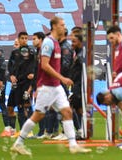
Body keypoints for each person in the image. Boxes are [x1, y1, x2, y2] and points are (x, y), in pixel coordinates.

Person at [10, 16, 91, 155]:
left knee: (67, 112)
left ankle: (73, 144)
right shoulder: (48, 43)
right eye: (62, 24)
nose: (64, 27)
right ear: (54, 26)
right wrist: (62, 79)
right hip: (47, 86)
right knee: (37, 116)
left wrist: (60, 80)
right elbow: (44, 65)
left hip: (56, 86)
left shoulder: (56, 43)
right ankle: (18, 143)